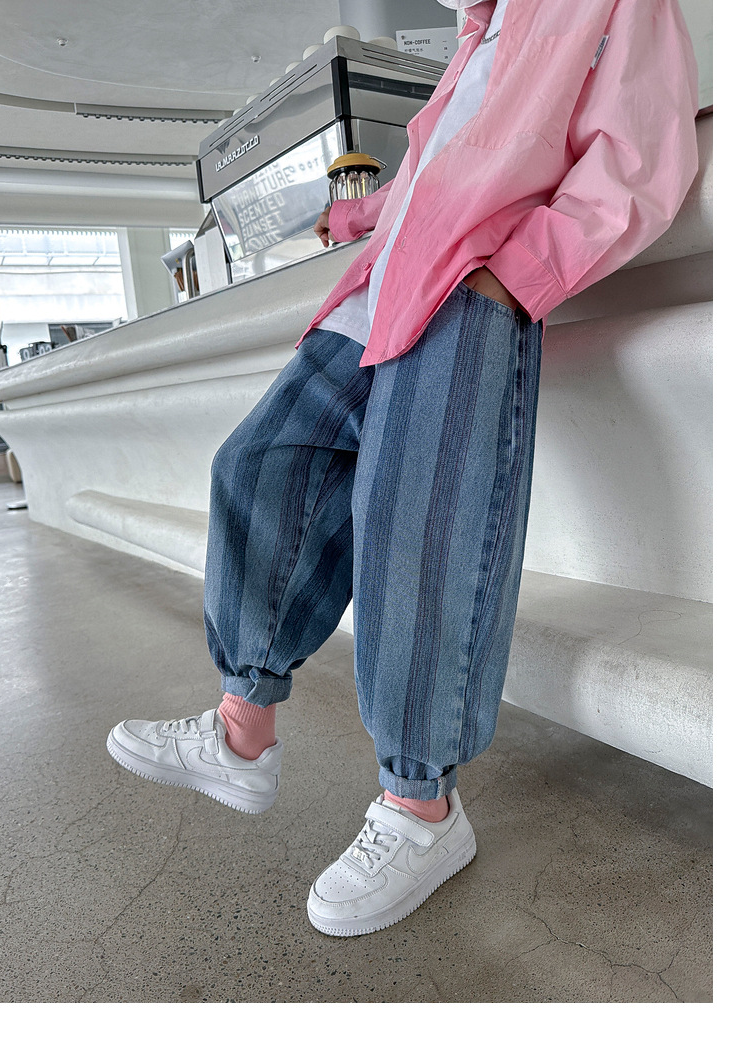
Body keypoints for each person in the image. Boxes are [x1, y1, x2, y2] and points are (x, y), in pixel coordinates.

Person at [107, 0, 699, 937]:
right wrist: (363, 213)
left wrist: (515, 277)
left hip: (467, 290)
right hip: (383, 285)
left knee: (416, 523)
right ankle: (240, 733)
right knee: (261, 464)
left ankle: (423, 807)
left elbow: (642, 160)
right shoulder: (478, 31)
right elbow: (449, 164)